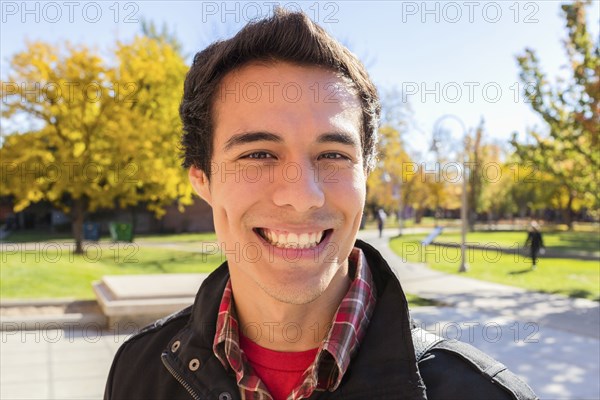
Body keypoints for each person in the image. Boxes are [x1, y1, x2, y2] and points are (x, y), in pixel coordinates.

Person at [104, 9, 537, 400]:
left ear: (365, 174)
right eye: (258, 154)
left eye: (333, 155)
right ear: (202, 179)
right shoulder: (136, 375)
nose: (302, 195)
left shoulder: (485, 396)